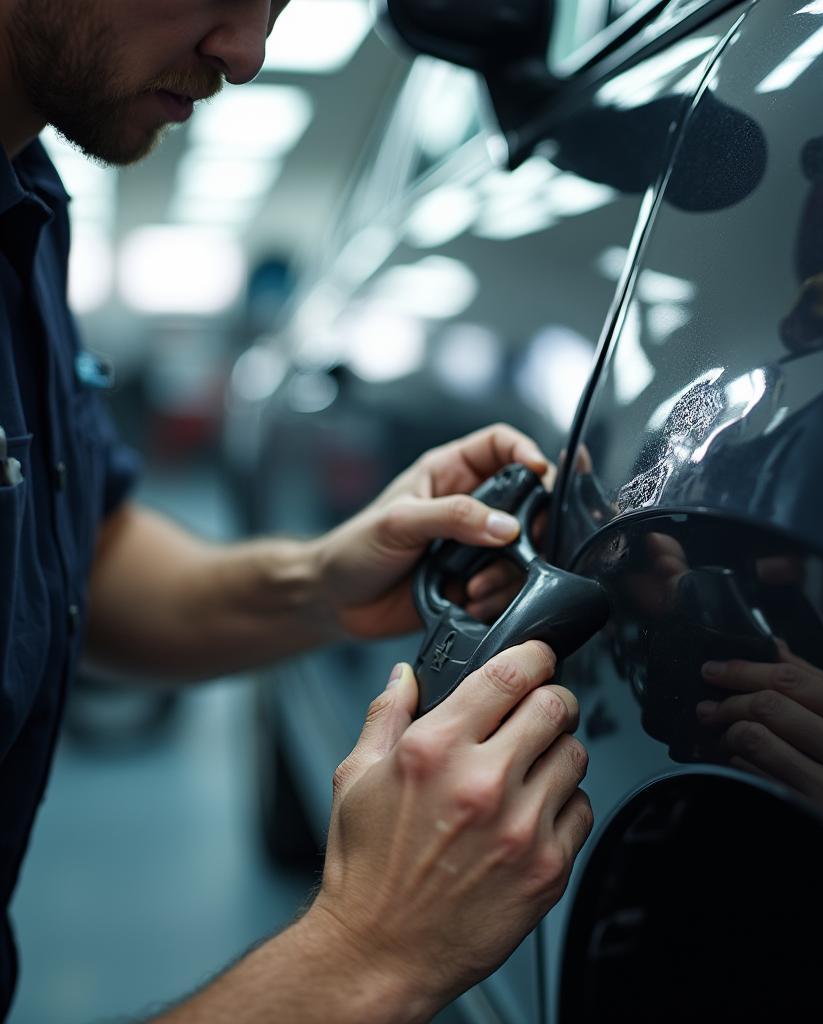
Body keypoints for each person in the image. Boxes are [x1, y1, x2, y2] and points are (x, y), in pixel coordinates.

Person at [0, 1, 594, 1020]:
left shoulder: (28, 200)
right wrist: (364, 953)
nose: (247, 53)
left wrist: (321, 585)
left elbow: (79, 555)